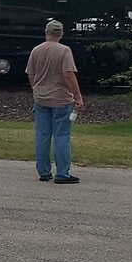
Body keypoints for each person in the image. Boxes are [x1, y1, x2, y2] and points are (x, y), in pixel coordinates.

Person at [26, 19, 84, 184]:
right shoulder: (65, 51)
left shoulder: (36, 50)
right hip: (61, 99)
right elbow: (68, 74)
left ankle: (43, 172)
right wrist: (78, 96)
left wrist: (36, 89)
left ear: (46, 32)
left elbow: (31, 74)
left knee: (42, 135)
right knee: (62, 136)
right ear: (61, 34)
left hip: (41, 99)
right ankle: (62, 174)